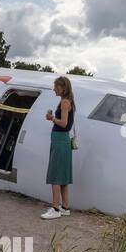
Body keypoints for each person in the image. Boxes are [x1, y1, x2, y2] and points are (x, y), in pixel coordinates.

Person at [41, 75, 75, 219]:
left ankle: (55, 208)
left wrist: (52, 118)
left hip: (60, 139)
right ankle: (65, 207)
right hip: (62, 140)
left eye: (56, 86)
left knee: (55, 174)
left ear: (63, 87)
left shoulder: (65, 102)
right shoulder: (67, 101)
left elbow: (64, 124)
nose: (54, 89)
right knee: (63, 176)